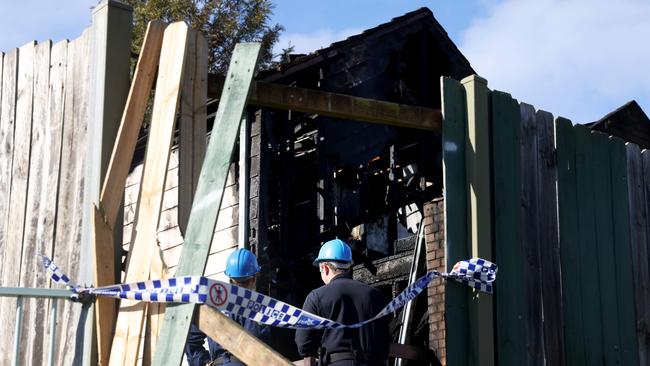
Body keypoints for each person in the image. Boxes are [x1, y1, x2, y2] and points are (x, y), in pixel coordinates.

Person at [295, 239, 390, 366]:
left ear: (325, 268)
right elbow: (385, 343)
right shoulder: (375, 295)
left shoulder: (316, 297)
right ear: (349, 266)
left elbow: (303, 344)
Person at [185, 248, 270, 366]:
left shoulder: (212, 304)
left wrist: (204, 363)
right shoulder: (262, 309)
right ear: (254, 279)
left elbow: (190, 340)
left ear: (230, 279)